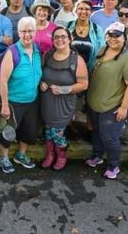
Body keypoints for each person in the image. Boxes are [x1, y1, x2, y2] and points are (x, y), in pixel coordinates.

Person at [85, 22, 128, 179]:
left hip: (112, 106)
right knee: (96, 133)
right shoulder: (102, 50)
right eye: (110, 35)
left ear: (124, 37)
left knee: (110, 138)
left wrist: (124, 107)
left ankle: (113, 165)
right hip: (94, 103)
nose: (113, 38)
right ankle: (97, 156)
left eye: (117, 35)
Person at [40, 27, 88, 171]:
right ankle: (50, 155)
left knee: (58, 131)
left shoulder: (76, 59)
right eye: (56, 37)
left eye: (63, 37)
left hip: (64, 103)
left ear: (69, 39)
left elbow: (84, 84)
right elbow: (42, 74)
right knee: (48, 129)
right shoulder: (48, 55)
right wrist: (41, 83)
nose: (59, 40)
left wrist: (64, 89)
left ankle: (61, 156)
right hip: (47, 101)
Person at [0, 17, 42, 173]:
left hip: (32, 101)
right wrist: (4, 105)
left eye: (30, 31)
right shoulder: (12, 52)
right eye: (24, 31)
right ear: (18, 32)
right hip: (13, 101)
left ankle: (20, 155)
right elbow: (3, 80)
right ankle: (3, 158)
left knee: (29, 132)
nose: (27, 34)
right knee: (8, 133)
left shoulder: (37, 50)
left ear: (35, 32)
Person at [67, 0, 105, 70]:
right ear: (76, 10)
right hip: (69, 68)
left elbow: (102, 50)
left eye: (87, 9)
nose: (83, 11)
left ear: (91, 11)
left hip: (89, 69)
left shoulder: (97, 29)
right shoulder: (68, 26)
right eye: (80, 9)